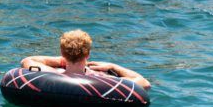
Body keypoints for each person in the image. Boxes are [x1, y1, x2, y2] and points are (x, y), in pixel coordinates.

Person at [20, 29, 150, 90]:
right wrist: (113, 67)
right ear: (88, 54)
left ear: (62, 53)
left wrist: (61, 60)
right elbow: (144, 83)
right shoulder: (103, 79)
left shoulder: (51, 74)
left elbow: (27, 60)